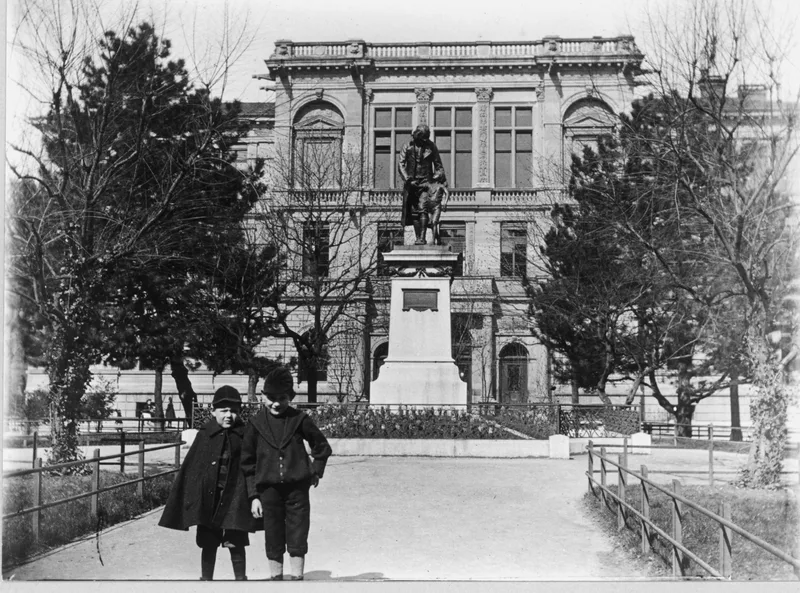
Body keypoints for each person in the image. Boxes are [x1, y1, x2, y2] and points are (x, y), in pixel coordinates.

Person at [241, 366, 332, 581]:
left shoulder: (299, 419)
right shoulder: (255, 424)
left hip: (297, 489)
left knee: (298, 531)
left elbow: (322, 447)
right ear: (263, 396)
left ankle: (297, 579)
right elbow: (247, 463)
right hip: (268, 490)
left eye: (281, 398)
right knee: (273, 534)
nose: (276, 403)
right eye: (271, 398)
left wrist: (316, 471)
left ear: (290, 397)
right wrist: (254, 495)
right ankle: (276, 580)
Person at [158, 386, 257, 580]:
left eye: (234, 411)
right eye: (224, 411)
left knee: (236, 541)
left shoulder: (244, 435)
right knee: (208, 542)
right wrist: (192, 500)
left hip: (235, 499)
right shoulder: (205, 435)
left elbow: (251, 466)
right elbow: (193, 469)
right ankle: (206, 581)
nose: (229, 415)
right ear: (213, 412)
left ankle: (241, 581)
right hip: (210, 500)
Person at [398, 124, 448, 245]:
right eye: (422, 139)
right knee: (414, 212)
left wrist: (432, 179)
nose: (424, 142)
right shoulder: (407, 146)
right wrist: (408, 179)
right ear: (416, 136)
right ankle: (418, 238)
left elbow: (439, 168)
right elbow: (401, 164)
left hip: (426, 184)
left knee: (423, 209)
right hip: (412, 184)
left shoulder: (431, 147)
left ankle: (422, 237)